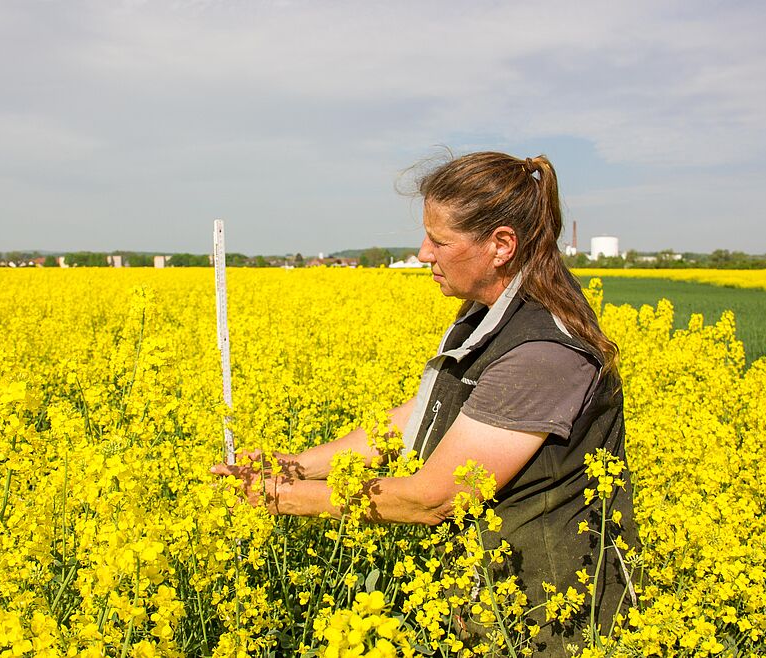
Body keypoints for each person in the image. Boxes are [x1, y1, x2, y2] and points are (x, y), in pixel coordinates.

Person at [211, 151, 638, 653]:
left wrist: (277, 497)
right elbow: (423, 416)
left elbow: (433, 497)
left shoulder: (542, 352)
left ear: (501, 245)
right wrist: (296, 467)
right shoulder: (489, 313)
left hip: (551, 623)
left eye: (439, 240)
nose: (422, 253)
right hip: (496, 602)